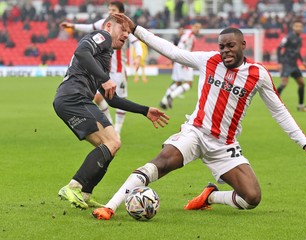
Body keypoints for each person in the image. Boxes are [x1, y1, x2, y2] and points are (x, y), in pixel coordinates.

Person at [92, 15, 306, 220]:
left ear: (243, 45)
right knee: (161, 163)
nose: (225, 51)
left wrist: (304, 142)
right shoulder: (209, 60)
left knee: (252, 198)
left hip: (224, 145)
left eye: (231, 46)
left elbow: (279, 110)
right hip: (195, 133)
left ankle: (211, 196)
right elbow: (172, 51)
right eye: (222, 46)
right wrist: (136, 30)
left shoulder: (258, 75)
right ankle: (110, 207)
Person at [53, 13, 169, 209]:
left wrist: (144, 110)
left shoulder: (104, 57)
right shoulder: (102, 37)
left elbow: (111, 99)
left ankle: (85, 193)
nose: (126, 34)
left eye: (128, 31)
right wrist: (104, 78)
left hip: (69, 99)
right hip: (75, 97)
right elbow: (82, 51)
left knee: (109, 146)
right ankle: (74, 186)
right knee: (112, 141)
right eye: (122, 29)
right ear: (108, 26)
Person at [60, 1, 143, 137]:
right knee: (98, 97)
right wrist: (73, 26)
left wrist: (138, 57)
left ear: (121, 12)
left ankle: (118, 130)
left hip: (118, 70)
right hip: (103, 70)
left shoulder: (126, 27)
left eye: (114, 9)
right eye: (109, 9)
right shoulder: (104, 24)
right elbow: (88, 27)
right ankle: (109, 124)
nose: (111, 11)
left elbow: (136, 43)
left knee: (118, 99)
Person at [159, 22, 202, 110]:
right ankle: (171, 96)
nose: (198, 30)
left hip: (179, 60)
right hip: (184, 61)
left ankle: (164, 101)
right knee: (189, 84)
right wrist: (178, 60)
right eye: (196, 27)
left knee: (177, 82)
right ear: (192, 27)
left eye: (199, 28)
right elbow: (180, 46)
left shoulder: (190, 36)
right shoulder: (188, 35)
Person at [276, 19, 306, 113]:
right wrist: (280, 62)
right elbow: (279, 48)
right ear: (293, 27)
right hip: (287, 63)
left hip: (294, 65)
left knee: (302, 83)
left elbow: (297, 52)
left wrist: (302, 61)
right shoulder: (288, 37)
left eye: (300, 26)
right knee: (284, 84)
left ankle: (301, 106)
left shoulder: (299, 39)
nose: (299, 28)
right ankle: (274, 105)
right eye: (297, 26)